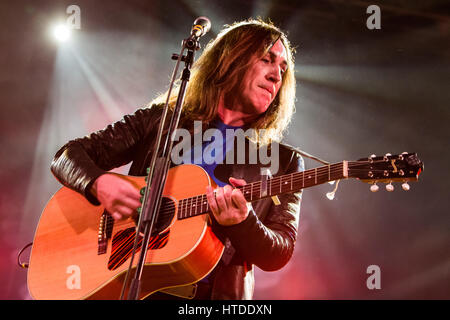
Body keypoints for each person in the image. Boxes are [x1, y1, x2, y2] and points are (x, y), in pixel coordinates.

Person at [50, 18, 304, 300]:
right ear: (231, 59)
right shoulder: (161, 120)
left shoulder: (283, 160)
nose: (277, 76)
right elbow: (67, 156)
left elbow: (279, 252)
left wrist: (244, 222)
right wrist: (99, 183)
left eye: (283, 69)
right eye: (267, 60)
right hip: (128, 284)